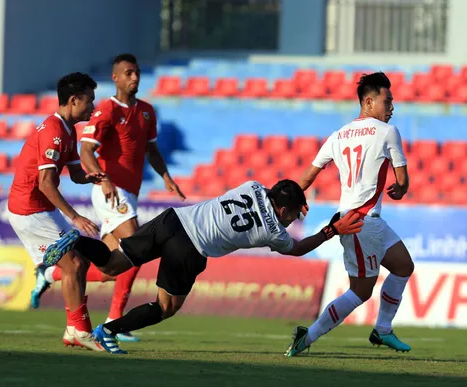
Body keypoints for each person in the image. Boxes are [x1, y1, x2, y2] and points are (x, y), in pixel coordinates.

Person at [41, 179, 363, 354]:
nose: (293, 220)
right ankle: (108, 331)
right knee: (165, 307)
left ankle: (77, 241)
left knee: (112, 264)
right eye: (293, 214)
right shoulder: (273, 231)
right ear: (282, 209)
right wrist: (331, 231)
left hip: (172, 220)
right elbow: (298, 249)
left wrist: (293, 194)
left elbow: (278, 192)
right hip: (191, 247)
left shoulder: (251, 185)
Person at [31, 53, 184, 342]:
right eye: (128, 73)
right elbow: (87, 150)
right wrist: (104, 179)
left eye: (137, 72)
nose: (134, 77)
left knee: (112, 267)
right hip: (112, 191)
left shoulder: (148, 111)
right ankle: (115, 322)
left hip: (131, 194)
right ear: (115, 78)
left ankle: (48, 276)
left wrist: (166, 178)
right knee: (136, 251)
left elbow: (152, 151)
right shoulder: (106, 111)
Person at [285, 72, 415, 357]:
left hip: (365, 219)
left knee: (404, 266)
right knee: (360, 291)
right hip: (359, 223)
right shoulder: (387, 132)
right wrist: (401, 190)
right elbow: (402, 181)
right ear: (368, 102)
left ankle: (382, 329)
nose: (391, 108)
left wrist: (291, 204)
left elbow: (308, 176)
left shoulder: (338, 134)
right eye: (387, 101)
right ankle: (306, 337)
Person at [8, 72, 105, 351]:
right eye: (89, 101)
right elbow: (45, 182)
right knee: (74, 264)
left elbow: (75, 174)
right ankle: (81, 330)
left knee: (78, 264)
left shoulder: (67, 130)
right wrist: (75, 217)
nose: (93, 107)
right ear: (74, 100)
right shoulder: (53, 131)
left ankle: (73, 327)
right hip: (29, 209)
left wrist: (91, 177)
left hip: (39, 208)